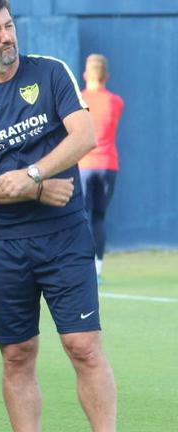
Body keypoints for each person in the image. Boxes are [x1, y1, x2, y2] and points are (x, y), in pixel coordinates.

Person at [0, 0, 129, 432]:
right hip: (3, 245)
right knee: (17, 354)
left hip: (64, 236)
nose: (6, 36)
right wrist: (36, 189)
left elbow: (83, 136)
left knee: (83, 345)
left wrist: (31, 172)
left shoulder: (51, 74)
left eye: (9, 26)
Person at [78, 54, 124, 281]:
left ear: (86, 75)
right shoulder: (116, 101)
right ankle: (97, 270)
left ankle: (83, 268)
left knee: (82, 216)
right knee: (99, 217)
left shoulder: (79, 100)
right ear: (107, 76)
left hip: (84, 164)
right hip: (108, 165)